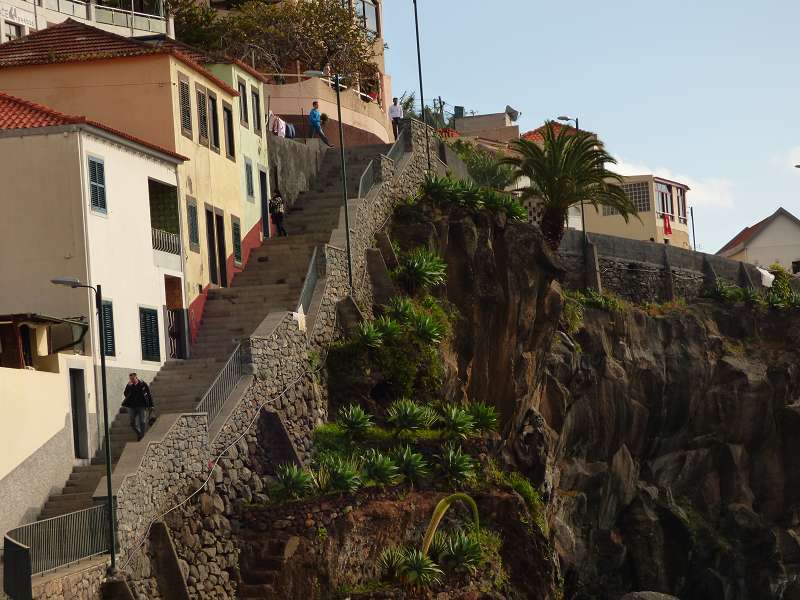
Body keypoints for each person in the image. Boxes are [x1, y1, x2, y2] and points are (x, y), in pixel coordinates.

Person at [123, 373, 153, 441]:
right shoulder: (130, 385)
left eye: (133, 379)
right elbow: (125, 394)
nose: (132, 380)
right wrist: (128, 386)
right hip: (132, 407)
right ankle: (139, 433)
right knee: (132, 423)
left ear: (136, 377)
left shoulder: (142, 384)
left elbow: (148, 394)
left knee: (142, 421)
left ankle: (142, 436)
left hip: (142, 406)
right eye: (130, 379)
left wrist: (151, 405)